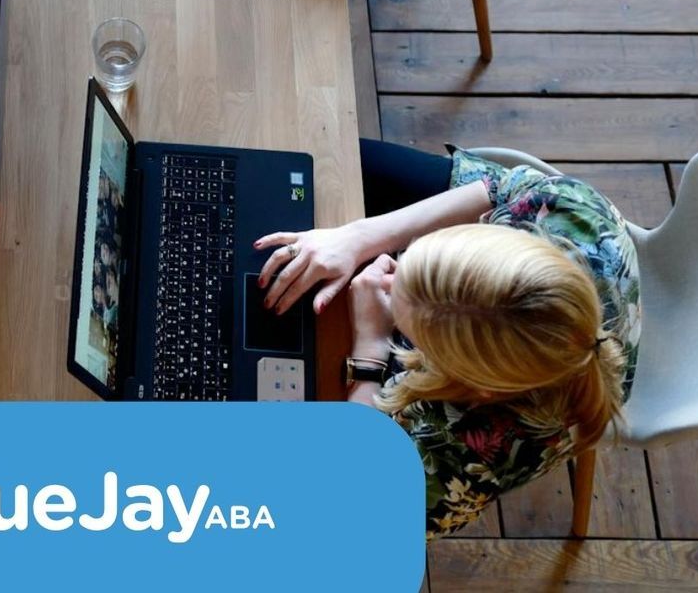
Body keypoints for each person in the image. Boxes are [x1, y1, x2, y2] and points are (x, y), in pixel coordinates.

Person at [255, 141, 640, 537]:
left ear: (464, 379)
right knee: (324, 161)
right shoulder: (571, 210)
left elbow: (346, 498)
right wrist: (359, 237)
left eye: (409, 326)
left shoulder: (462, 458)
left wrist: (370, 347)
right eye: (412, 259)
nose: (386, 275)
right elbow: (497, 187)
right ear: (496, 234)